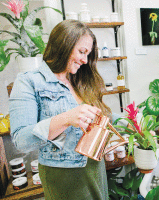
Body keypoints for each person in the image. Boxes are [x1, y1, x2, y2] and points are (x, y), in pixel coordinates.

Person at [9, 19, 117, 200]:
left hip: (95, 170)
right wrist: (67, 118)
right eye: (82, 52)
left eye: (87, 54)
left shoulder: (79, 80)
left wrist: (133, 122)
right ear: (63, 45)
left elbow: (102, 115)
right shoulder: (29, 81)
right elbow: (21, 140)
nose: (84, 60)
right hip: (64, 177)